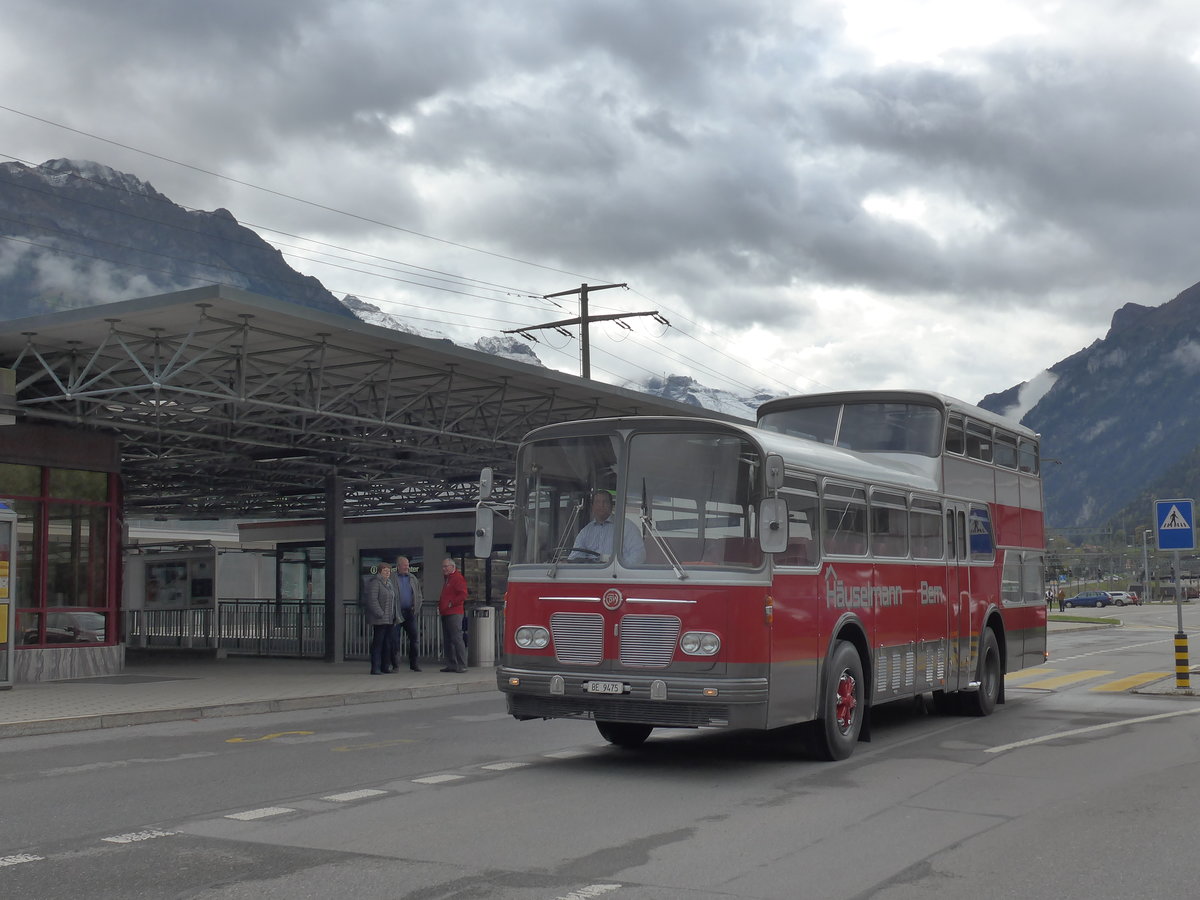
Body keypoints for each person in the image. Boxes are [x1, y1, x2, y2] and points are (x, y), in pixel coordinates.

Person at [570, 490, 646, 564]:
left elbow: (639, 556)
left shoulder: (627, 527)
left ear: (611, 505)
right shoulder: (585, 532)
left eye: (605, 502)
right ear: (592, 506)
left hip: (617, 574)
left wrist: (620, 568)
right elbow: (574, 557)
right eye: (597, 502)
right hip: (590, 574)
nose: (601, 505)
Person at [390, 555, 424, 672]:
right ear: (398, 566)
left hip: (410, 613)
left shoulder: (413, 578)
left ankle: (414, 663)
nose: (407, 567)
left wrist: (416, 609)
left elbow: (419, 595)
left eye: (408, 565)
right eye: (404, 565)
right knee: (395, 640)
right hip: (397, 613)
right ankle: (396, 665)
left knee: (414, 638)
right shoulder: (392, 578)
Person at [364, 563, 398, 675]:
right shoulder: (375, 583)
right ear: (379, 572)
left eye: (389, 571)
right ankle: (375, 667)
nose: (387, 573)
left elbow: (393, 600)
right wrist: (380, 613)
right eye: (385, 571)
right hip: (380, 619)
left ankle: (385, 666)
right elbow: (372, 600)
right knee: (378, 643)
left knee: (387, 643)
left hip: (389, 619)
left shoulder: (389, 583)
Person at [438, 558, 469, 673]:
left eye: (446, 566)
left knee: (456, 638)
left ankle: (462, 664)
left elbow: (463, 594)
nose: (444, 569)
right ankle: (451, 664)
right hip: (446, 612)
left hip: (454, 612)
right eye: (443, 567)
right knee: (448, 639)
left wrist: (451, 603)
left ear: (452, 567)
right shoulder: (448, 579)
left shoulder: (457, 578)